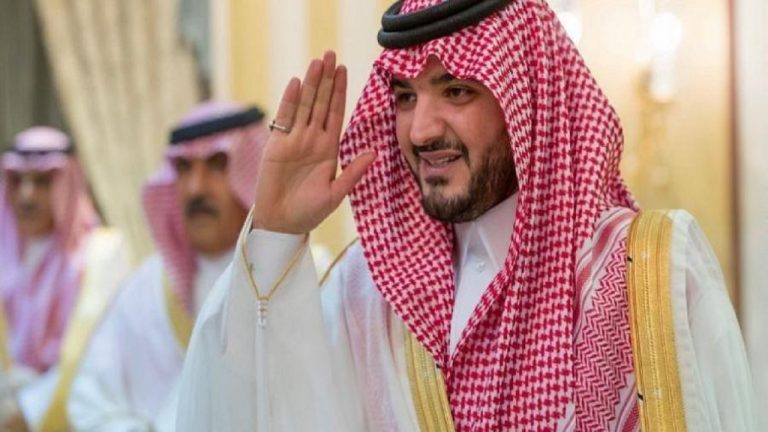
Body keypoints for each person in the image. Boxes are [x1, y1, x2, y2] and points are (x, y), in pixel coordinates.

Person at [177, 1, 757, 430]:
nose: (421, 131)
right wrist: (276, 235)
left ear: (526, 98)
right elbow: (260, 411)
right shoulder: (370, 293)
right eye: (405, 97)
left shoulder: (645, 271)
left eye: (456, 91)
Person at [67, 102, 267, 431]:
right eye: (184, 168)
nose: (196, 188)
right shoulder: (144, 288)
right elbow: (88, 400)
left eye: (217, 164)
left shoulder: (296, 279)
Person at [0, 126, 130, 431]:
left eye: (42, 182)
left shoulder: (103, 254)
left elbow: (99, 359)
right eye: (17, 181)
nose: (27, 196)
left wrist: (28, 411)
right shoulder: (5, 253)